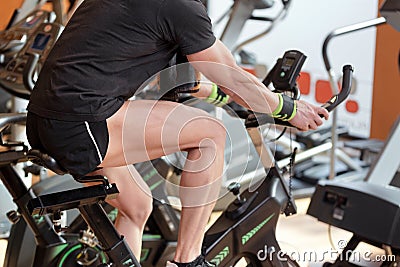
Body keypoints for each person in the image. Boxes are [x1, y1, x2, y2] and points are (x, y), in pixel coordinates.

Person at [26, 0, 329, 266]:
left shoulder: (171, 9)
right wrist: (287, 109)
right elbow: (229, 78)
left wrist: (242, 100)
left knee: (136, 205)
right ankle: (187, 261)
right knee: (210, 134)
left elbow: (200, 75)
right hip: (81, 122)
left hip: (45, 119)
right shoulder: (181, 7)